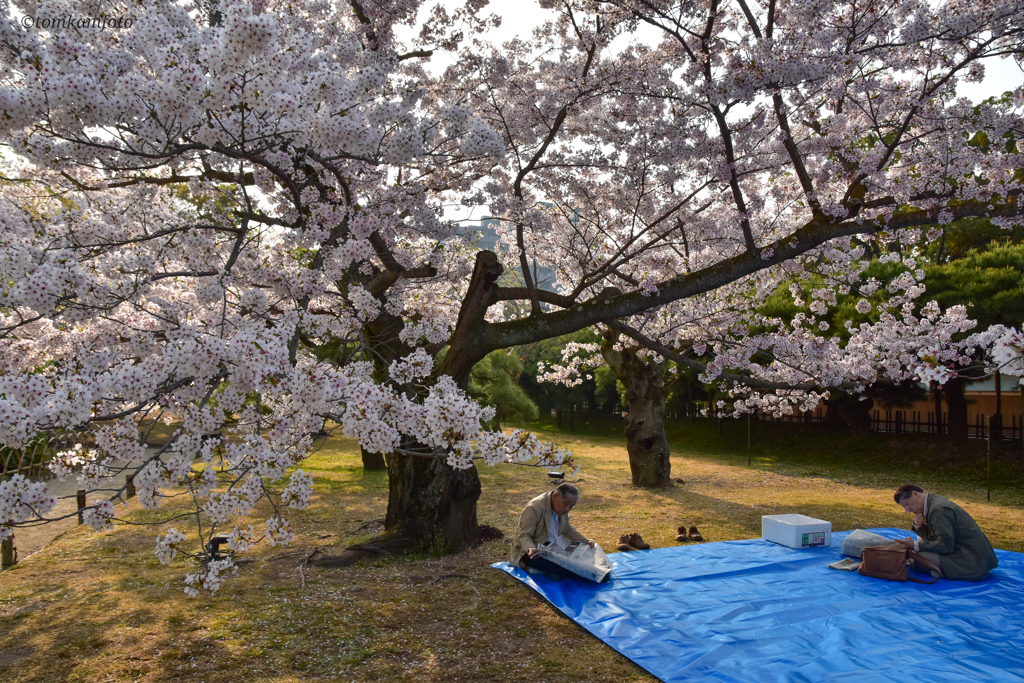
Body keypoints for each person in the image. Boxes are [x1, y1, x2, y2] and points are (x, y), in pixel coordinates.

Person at [893, 484, 998, 581]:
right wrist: (919, 526)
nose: (909, 510)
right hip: (971, 556)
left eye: (907, 505)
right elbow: (934, 538)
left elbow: (946, 545)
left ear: (915, 494)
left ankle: (947, 572)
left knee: (918, 557)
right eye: (906, 509)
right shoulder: (932, 503)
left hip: (973, 562)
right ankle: (945, 570)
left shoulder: (939, 510)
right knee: (918, 551)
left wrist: (915, 545)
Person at [511, 482, 594, 580]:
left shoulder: (561, 508)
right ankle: (587, 576)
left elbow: (568, 529)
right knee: (560, 565)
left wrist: (586, 541)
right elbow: (524, 535)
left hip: (555, 547)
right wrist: (531, 549)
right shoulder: (534, 507)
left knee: (576, 560)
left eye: (571, 506)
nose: (567, 509)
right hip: (534, 550)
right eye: (566, 504)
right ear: (555, 496)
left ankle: (561, 573)